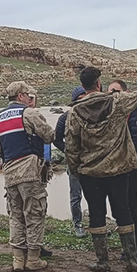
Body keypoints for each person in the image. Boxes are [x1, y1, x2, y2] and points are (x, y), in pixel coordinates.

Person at [65, 67, 137, 272]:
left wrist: (76, 171)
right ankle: (132, 260)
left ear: (83, 86)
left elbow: (71, 146)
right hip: (118, 171)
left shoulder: (74, 112)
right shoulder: (117, 102)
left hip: (90, 173)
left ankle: (102, 261)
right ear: (99, 83)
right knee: (123, 212)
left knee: (97, 216)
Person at [0, 81, 55, 272]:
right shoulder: (29, 113)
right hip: (30, 171)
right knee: (35, 213)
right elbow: (49, 135)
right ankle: (34, 259)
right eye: (29, 95)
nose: (31, 98)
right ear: (21, 96)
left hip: (10, 173)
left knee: (16, 215)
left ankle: (18, 260)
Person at [108, 79, 137, 261]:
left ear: (126, 92)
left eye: (116, 91)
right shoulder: (118, 111)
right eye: (110, 92)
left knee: (130, 205)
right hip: (124, 165)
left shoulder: (134, 111)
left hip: (134, 165)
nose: (113, 95)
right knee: (127, 205)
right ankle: (135, 246)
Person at [53, 86, 87, 238]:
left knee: (96, 194)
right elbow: (56, 139)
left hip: (93, 161)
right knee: (76, 196)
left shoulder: (93, 115)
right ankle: (78, 225)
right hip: (74, 163)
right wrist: (69, 151)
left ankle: (97, 224)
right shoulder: (64, 118)